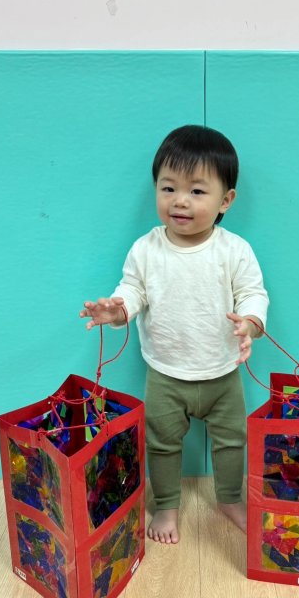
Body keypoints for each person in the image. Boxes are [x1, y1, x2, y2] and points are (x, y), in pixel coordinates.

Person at [80, 125, 269, 544]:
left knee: (232, 442)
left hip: (222, 373)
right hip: (165, 375)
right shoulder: (146, 249)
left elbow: (253, 293)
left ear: (225, 200)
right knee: (162, 444)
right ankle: (166, 504)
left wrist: (250, 322)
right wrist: (117, 310)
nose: (180, 200)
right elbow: (132, 290)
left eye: (197, 191)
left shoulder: (233, 250)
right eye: (168, 188)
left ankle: (230, 498)